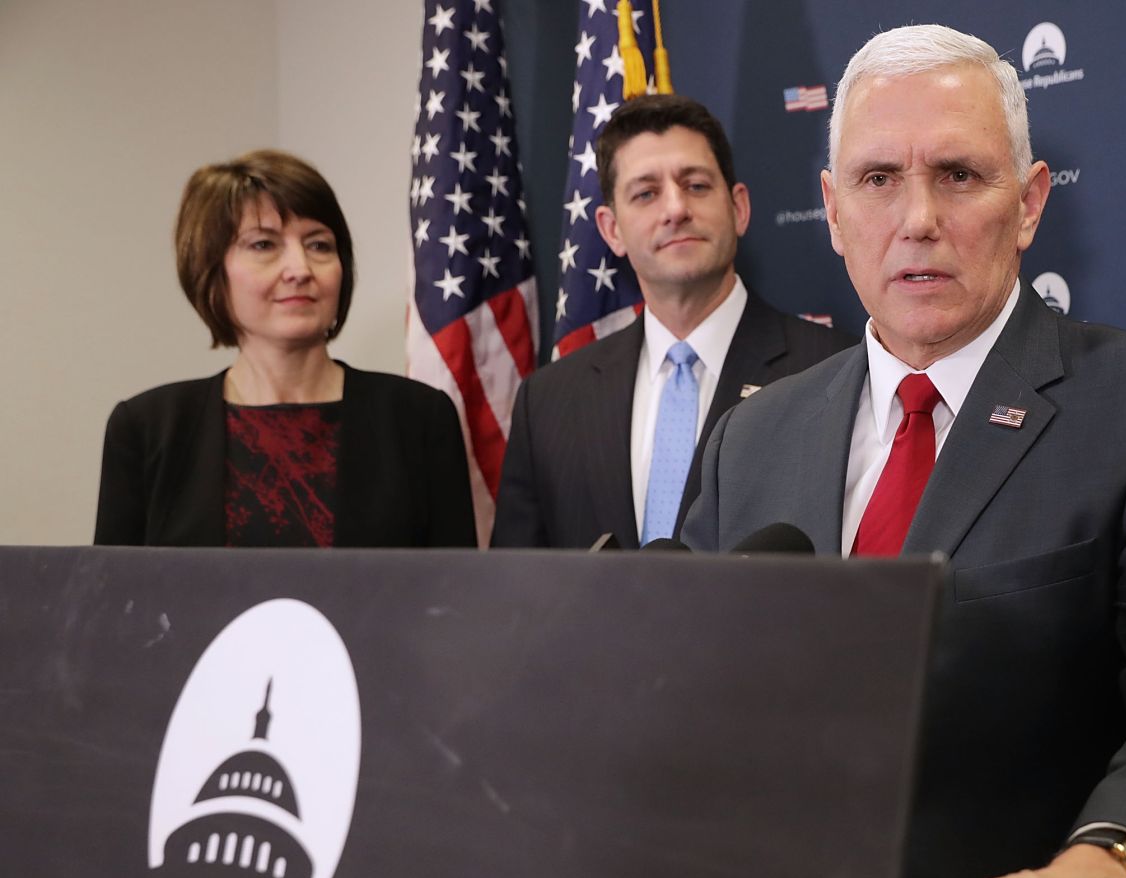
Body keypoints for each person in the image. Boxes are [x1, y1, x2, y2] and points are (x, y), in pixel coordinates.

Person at [684, 25, 1126, 878]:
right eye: (877, 180)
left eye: (959, 175)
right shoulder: (750, 438)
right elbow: (687, 706)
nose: (917, 219)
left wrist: (1117, 863)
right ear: (830, 209)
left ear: (1029, 204)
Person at [491, 95, 853, 549]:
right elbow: (518, 593)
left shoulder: (835, 370)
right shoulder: (547, 402)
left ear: (739, 208)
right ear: (611, 230)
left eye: (696, 185)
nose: (675, 209)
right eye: (646, 193)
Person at [94, 150, 476, 548]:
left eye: (319, 245)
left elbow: (456, 598)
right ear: (211, 273)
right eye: (263, 244)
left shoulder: (419, 419)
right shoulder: (146, 429)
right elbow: (114, 603)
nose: (300, 269)